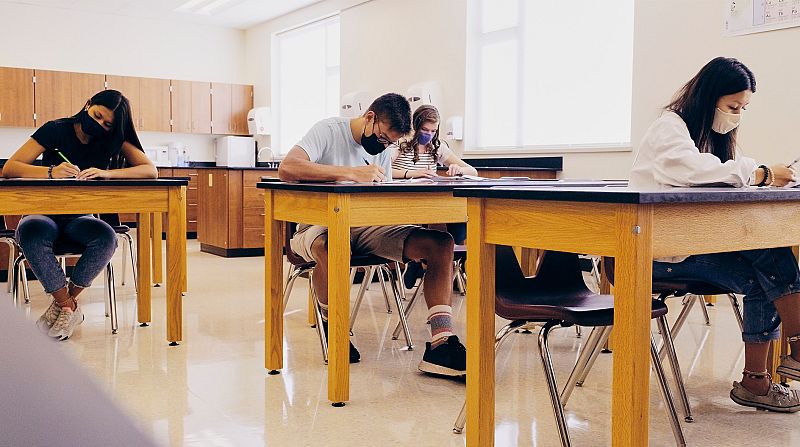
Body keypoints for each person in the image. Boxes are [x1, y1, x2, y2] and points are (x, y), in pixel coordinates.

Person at [630, 57, 800, 412]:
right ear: (709, 98)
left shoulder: (711, 136)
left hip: (690, 246)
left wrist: (764, 174)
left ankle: (757, 382)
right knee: (771, 259)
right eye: (733, 106)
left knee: (767, 267)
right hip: (656, 254)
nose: (737, 114)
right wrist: (761, 173)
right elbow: (693, 171)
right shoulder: (669, 128)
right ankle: (793, 351)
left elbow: (725, 173)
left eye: (743, 108)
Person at [278, 93, 466, 376]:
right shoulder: (328, 130)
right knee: (331, 246)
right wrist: (351, 173)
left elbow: (383, 196)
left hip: (366, 225)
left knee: (440, 244)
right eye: (381, 139)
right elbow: (288, 168)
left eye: (389, 143)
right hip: (317, 225)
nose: (383, 146)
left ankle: (441, 344)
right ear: (369, 117)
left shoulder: (382, 149)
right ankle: (335, 327)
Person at [2, 89, 158, 340]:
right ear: (87, 105)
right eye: (97, 116)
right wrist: (51, 171)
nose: (99, 125)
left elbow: (150, 170)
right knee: (29, 231)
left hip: (81, 217)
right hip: (45, 212)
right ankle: (68, 306)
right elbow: (10, 168)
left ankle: (63, 304)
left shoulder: (110, 139)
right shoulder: (55, 129)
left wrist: (107, 173)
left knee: (106, 237)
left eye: (107, 124)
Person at [390, 105, 474, 287]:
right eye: (425, 129)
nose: (428, 134)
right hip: (403, 201)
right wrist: (412, 173)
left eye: (433, 131)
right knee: (423, 226)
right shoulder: (400, 143)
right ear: (415, 126)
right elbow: (383, 170)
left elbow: (472, 171)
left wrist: (458, 170)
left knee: (459, 215)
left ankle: (432, 259)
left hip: (429, 202)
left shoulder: (437, 147)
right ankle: (417, 259)